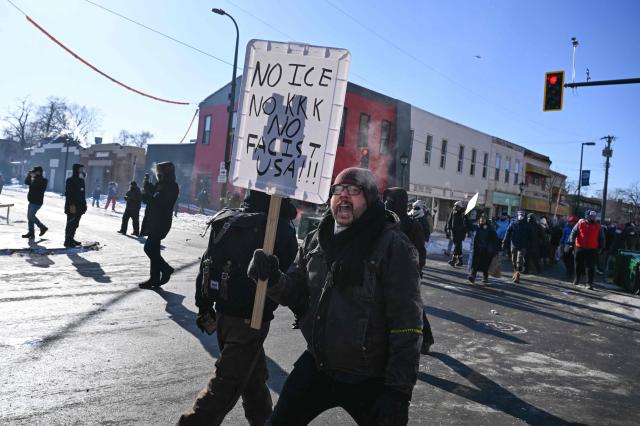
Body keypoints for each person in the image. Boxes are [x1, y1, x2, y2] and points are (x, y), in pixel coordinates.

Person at [248, 167, 423, 426]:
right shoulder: (315, 240)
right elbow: (295, 294)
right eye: (338, 190)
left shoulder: (393, 246)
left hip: (369, 377)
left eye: (354, 191)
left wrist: (398, 392)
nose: (343, 196)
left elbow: (407, 326)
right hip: (318, 365)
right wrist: (272, 279)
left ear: (371, 199)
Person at [177, 191, 298, 426]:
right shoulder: (280, 228)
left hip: (222, 312)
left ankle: (263, 421)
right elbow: (288, 282)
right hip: (251, 319)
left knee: (253, 379)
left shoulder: (229, 219)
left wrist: (204, 305)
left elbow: (206, 263)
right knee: (225, 386)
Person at [384, 187, 434, 354]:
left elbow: (420, 251)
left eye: (391, 201)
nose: (387, 204)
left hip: (407, 273)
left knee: (413, 307)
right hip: (386, 272)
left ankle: (425, 339)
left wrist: (417, 272)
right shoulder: (385, 221)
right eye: (386, 200)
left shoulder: (412, 225)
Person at [139, 162, 179, 288]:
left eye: (160, 171)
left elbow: (160, 202)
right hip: (154, 220)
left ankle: (166, 269)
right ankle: (154, 278)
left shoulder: (171, 186)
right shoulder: (161, 184)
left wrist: (147, 195)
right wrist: (147, 188)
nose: (157, 173)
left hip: (160, 222)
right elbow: (152, 198)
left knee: (149, 249)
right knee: (155, 251)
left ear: (166, 172)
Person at [570, 210, 605, 290]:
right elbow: (573, 232)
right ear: (587, 216)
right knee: (578, 264)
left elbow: (601, 237)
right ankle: (577, 279)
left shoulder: (598, 226)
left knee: (590, 267)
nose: (593, 218)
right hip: (580, 247)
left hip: (592, 249)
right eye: (591, 216)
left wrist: (602, 247)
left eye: (594, 216)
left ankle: (589, 283)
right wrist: (571, 242)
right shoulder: (580, 223)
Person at [468, 215, 498, 284]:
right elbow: (468, 227)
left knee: (485, 265)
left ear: (486, 220)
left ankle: (485, 277)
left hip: (486, 250)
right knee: (475, 264)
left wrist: (495, 250)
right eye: (481, 219)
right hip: (477, 249)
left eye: (483, 219)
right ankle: (473, 276)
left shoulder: (490, 229)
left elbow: (495, 240)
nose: (482, 220)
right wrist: (466, 217)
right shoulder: (476, 227)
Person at [64, 163, 88, 247]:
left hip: (80, 206)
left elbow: (82, 194)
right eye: (81, 169)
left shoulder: (81, 180)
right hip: (72, 206)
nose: (83, 171)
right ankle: (67, 241)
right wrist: (71, 205)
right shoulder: (70, 180)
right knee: (70, 223)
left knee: (76, 224)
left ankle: (71, 238)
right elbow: (68, 194)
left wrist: (84, 205)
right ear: (77, 170)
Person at [503, 210, 530, 284]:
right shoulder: (513, 223)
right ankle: (515, 271)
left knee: (519, 259)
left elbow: (531, 236)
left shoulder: (527, 225)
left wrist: (530, 244)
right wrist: (504, 241)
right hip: (514, 244)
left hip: (523, 245)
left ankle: (517, 275)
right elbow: (508, 231)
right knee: (513, 259)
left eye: (522, 214)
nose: (520, 216)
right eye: (519, 214)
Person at [22, 166, 48, 239]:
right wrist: (29, 176)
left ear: (39, 172)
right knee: (29, 217)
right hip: (31, 201)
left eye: (34, 171)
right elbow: (26, 182)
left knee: (31, 216)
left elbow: (36, 187)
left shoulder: (43, 180)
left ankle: (42, 227)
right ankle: (31, 233)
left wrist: (33, 178)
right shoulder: (34, 179)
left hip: (37, 202)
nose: (33, 173)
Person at [446, 201, 467, 267]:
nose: (455, 207)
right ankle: (460, 260)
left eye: (457, 206)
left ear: (460, 207)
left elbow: (465, 223)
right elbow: (449, 221)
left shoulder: (463, 214)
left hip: (460, 233)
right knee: (458, 247)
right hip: (453, 233)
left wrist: (465, 231)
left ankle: (454, 260)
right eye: (455, 206)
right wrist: (448, 229)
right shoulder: (453, 212)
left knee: (457, 246)